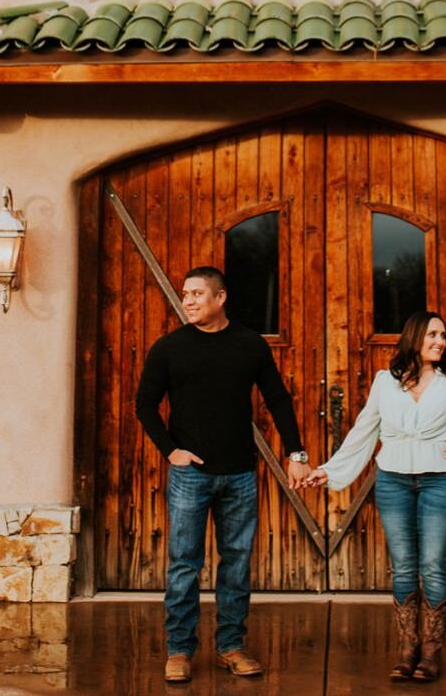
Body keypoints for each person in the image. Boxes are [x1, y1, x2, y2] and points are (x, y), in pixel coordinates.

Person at [134, 264, 309, 684]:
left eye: (196, 293)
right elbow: (144, 405)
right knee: (184, 565)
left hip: (239, 475)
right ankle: (179, 650)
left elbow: (278, 400)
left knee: (235, 565)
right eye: (185, 294)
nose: (188, 300)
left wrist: (296, 452)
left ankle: (231, 646)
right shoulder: (170, 348)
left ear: (220, 297)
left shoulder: (249, 345)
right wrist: (171, 450)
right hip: (190, 476)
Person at [308, 309, 446, 683]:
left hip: (442, 481)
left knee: (431, 565)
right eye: (432, 335)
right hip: (394, 480)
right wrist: (328, 471)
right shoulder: (386, 381)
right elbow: (364, 432)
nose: (440, 342)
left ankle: (431, 653)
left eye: (443, 336)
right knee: (402, 566)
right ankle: (407, 648)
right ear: (414, 337)